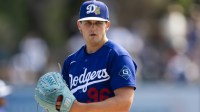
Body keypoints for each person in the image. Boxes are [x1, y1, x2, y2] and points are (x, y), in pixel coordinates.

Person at [62, 0, 137, 111]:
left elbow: (124, 103)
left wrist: (80, 109)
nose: (93, 28)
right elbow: (63, 103)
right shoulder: (71, 62)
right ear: (79, 25)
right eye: (88, 23)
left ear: (107, 25)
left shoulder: (118, 56)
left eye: (98, 23)